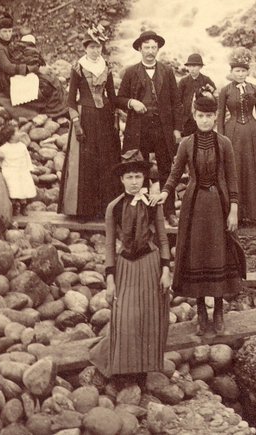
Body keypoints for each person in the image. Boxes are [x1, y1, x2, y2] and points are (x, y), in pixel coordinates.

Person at [163, 91, 246, 335]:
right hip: (195, 206)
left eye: (210, 116)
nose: (205, 120)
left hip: (219, 206)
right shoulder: (186, 144)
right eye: (201, 115)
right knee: (197, 255)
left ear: (216, 116)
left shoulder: (225, 143)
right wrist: (165, 194)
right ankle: (201, 312)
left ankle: (218, 311)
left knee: (219, 254)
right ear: (194, 115)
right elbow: (175, 173)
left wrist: (233, 209)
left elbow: (232, 178)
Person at [90, 150, 172, 376]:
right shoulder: (114, 207)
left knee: (149, 317)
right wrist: (109, 280)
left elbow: (163, 239)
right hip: (126, 265)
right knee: (125, 317)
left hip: (151, 264)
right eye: (129, 177)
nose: (134, 182)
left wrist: (166, 271)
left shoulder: (154, 204)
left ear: (144, 178)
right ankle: (121, 369)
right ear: (122, 179)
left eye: (138, 176)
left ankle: (144, 369)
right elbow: (108, 246)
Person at [59, 24, 120, 220]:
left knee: (105, 160)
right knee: (86, 162)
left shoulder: (107, 67)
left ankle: (104, 209)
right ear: (85, 48)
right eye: (91, 47)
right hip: (85, 117)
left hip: (104, 119)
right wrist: (76, 124)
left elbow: (112, 96)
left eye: (98, 46)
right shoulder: (78, 67)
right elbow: (70, 101)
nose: (95, 50)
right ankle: (82, 210)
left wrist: (117, 117)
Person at [116, 30, 179, 190]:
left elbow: (176, 103)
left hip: (162, 127)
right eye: (147, 48)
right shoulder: (130, 72)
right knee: (139, 166)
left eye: (154, 48)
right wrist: (132, 102)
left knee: (166, 167)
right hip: (139, 127)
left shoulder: (167, 71)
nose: (150, 51)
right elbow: (119, 99)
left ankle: (169, 211)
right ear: (140, 49)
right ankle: (141, 208)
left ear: (158, 49)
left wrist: (177, 129)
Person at [219, 48, 256, 227]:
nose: (240, 74)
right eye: (237, 71)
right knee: (237, 170)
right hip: (232, 133)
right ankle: (239, 215)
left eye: (243, 71)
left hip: (252, 131)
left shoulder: (254, 89)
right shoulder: (225, 91)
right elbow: (219, 119)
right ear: (231, 72)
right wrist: (219, 142)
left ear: (247, 72)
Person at [0, 127, 37, 212]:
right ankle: (15, 206)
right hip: (10, 172)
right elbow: (1, 161)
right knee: (13, 190)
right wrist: (3, 170)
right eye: (17, 132)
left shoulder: (22, 146)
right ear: (11, 136)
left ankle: (23, 206)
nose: (20, 133)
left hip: (22, 171)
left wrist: (29, 168)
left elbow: (27, 157)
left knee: (23, 189)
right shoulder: (3, 148)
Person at [177, 53, 215, 137]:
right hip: (187, 118)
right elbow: (178, 100)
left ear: (200, 67)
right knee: (187, 140)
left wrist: (209, 94)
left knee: (201, 139)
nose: (192, 69)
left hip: (201, 117)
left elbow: (213, 97)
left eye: (194, 66)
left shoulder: (206, 80)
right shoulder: (183, 81)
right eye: (189, 66)